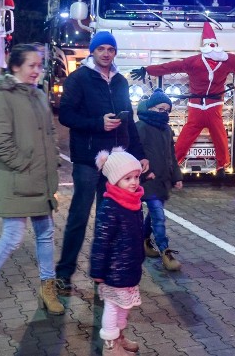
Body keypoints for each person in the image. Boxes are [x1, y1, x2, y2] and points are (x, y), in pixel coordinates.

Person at [0, 44, 62, 325]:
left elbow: (50, 131)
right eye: (31, 65)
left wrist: (53, 157)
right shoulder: (1, 97)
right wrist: (27, 165)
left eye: (39, 65)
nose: (37, 70)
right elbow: (0, 143)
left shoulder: (38, 94)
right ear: (15, 66)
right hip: (18, 179)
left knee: (45, 233)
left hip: (40, 178)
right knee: (12, 238)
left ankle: (48, 289)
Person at [57, 31, 147, 294]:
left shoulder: (120, 81)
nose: (106, 53)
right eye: (101, 49)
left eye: (110, 49)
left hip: (115, 163)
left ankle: (103, 276)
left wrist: (140, 154)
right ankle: (64, 273)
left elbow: (128, 119)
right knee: (79, 216)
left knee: (108, 220)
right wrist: (98, 123)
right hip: (88, 160)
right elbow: (66, 115)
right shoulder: (79, 79)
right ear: (92, 52)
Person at [131, 23, 235, 171]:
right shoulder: (195, 61)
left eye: (214, 44)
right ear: (205, 46)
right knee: (185, 139)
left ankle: (222, 166)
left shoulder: (229, 60)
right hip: (196, 107)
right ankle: (172, 166)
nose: (212, 47)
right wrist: (147, 70)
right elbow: (170, 67)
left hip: (214, 106)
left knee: (219, 136)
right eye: (210, 44)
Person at [90, 148, 146, 356]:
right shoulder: (111, 206)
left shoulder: (134, 203)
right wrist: (98, 270)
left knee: (124, 307)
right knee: (113, 307)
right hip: (113, 271)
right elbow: (101, 241)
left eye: (136, 177)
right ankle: (110, 346)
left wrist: (139, 258)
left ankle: (119, 338)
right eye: (127, 178)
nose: (134, 182)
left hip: (129, 268)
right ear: (115, 180)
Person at [135, 89, 184, 271]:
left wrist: (176, 177)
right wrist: (141, 173)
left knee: (154, 214)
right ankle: (165, 251)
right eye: (160, 108)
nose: (163, 113)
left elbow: (171, 155)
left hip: (163, 179)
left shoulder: (166, 129)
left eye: (166, 110)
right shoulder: (141, 127)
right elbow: (134, 152)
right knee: (158, 216)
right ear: (151, 108)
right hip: (148, 179)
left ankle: (145, 242)